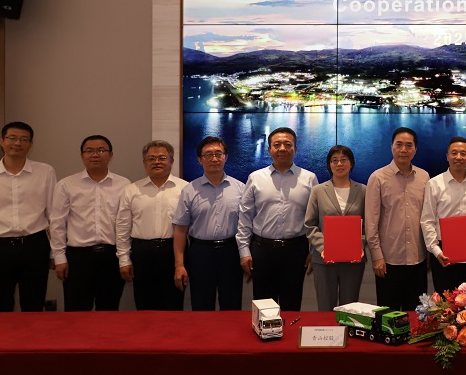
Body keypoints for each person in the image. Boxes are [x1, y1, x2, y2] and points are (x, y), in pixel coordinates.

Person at [0, 122, 56, 311]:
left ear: (31, 144)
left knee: (33, 306)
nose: (17, 143)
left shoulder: (45, 172)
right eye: (12, 138)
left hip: (34, 246)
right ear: (2, 141)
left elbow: (54, 215)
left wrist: (56, 253)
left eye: (24, 139)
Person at [237, 127, 318, 312]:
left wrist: (314, 250)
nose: (282, 148)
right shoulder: (255, 178)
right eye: (277, 144)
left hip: (296, 250)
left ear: (295, 149)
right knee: (264, 308)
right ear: (269, 150)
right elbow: (245, 217)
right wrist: (244, 252)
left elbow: (316, 219)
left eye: (288, 144)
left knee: (292, 305)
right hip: (262, 250)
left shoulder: (309, 178)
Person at [50, 135, 130, 311]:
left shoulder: (124, 185)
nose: (95, 155)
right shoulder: (66, 185)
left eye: (101, 150)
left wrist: (125, 258)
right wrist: (59, 257)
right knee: (76, 312)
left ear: (110, 155)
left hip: (111, 257)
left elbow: (125, 224)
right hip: (78, 258)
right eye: (89, 151)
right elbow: (57, 224)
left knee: (109, 310)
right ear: (82, 155)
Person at [172, 136, 245, 311]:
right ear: (200, 159)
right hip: (200, 253)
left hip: (231, 252)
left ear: (225, 157)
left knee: (232, 304)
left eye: (218, 154)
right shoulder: (189, 190)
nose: (214, 158)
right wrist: (179, 265)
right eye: (208, 154)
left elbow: (246, 227)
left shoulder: (240, 189)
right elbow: (180, 230)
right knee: (201, 306)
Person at [116, 140, 187, 310]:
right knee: (144, 305)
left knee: (173, 304)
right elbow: (122, 228)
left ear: (171, 161)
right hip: (142, 254)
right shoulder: (131, 190)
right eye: (151, 158)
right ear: (144, 162)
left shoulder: (184, 188)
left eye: (162, 158)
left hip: (173, 252)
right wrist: (124, 259)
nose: (157, 162)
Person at [365, 127, 429, 312]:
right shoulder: (377, 178)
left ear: (415, 149)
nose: (403, 150)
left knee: (417, 314)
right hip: (388, 261)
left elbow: (428, 218)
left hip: (418, 259)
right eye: (399, 145)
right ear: (391, 147)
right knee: (388, 315)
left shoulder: (424, 177)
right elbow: (371, 222)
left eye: (409, 145)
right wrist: (377, 256)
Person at [304, 145, 366, 311]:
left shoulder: (363, 190)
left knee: (350, 308)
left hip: (353, 260)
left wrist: (360, 246)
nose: (339, 164)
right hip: (324, 259)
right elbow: (310, 224)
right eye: (334, 160)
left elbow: (368, 225)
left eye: (344, 160)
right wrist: (324, 248)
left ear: (351, 164)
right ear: (329, 165)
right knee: (325, 307)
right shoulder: (318, 190)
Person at [421, 136, 466, 293]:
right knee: (445, 301)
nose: (458, 157)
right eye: (454, 153)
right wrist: (436, 251)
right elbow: (427, 220)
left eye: (463, 153)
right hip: (443, 251)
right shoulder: (434, 184)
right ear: (447, 156)